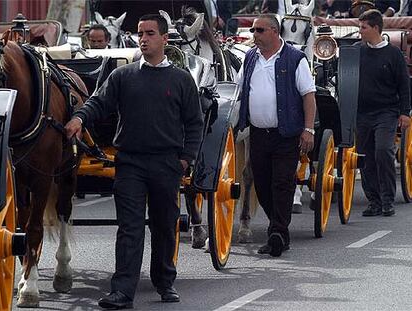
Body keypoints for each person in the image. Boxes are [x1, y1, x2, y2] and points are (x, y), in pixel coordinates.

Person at [65, 14, 204, 309]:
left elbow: (194, 123)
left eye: (150, 33)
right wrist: (79, 117)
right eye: (140, 33)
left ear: (165, 39)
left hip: (167, 163)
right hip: (130, 163)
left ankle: (165, 283)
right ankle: (122, 292)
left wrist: (185, 159)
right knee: (130, 228)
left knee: (164, 225)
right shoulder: (122, 76)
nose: (143, 38)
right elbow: (98, 102)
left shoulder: (180, 80)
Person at [237, 14, 316, 257]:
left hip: (286, 134)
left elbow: (308, 95)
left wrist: (309, 129)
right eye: (253, 31)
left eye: (259, 30)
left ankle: (278, 233)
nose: (254, 35)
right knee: (261, 185)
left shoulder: (295, 59)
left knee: (282, 183)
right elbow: (240, 88)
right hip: (259, 134)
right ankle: (278, 230)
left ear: (274, 31)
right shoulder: (250, 57)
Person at [356, 9, 410, 217]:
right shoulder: (357, 52)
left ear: (376, 28)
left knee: (383, 151)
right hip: (362, 114)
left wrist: (404, 113)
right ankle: (374, 202)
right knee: (365, 157)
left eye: (363, 27)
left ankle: (388, 200)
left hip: (386, 112)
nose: (360, 31)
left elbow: (404, 86)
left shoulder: (394, 54)